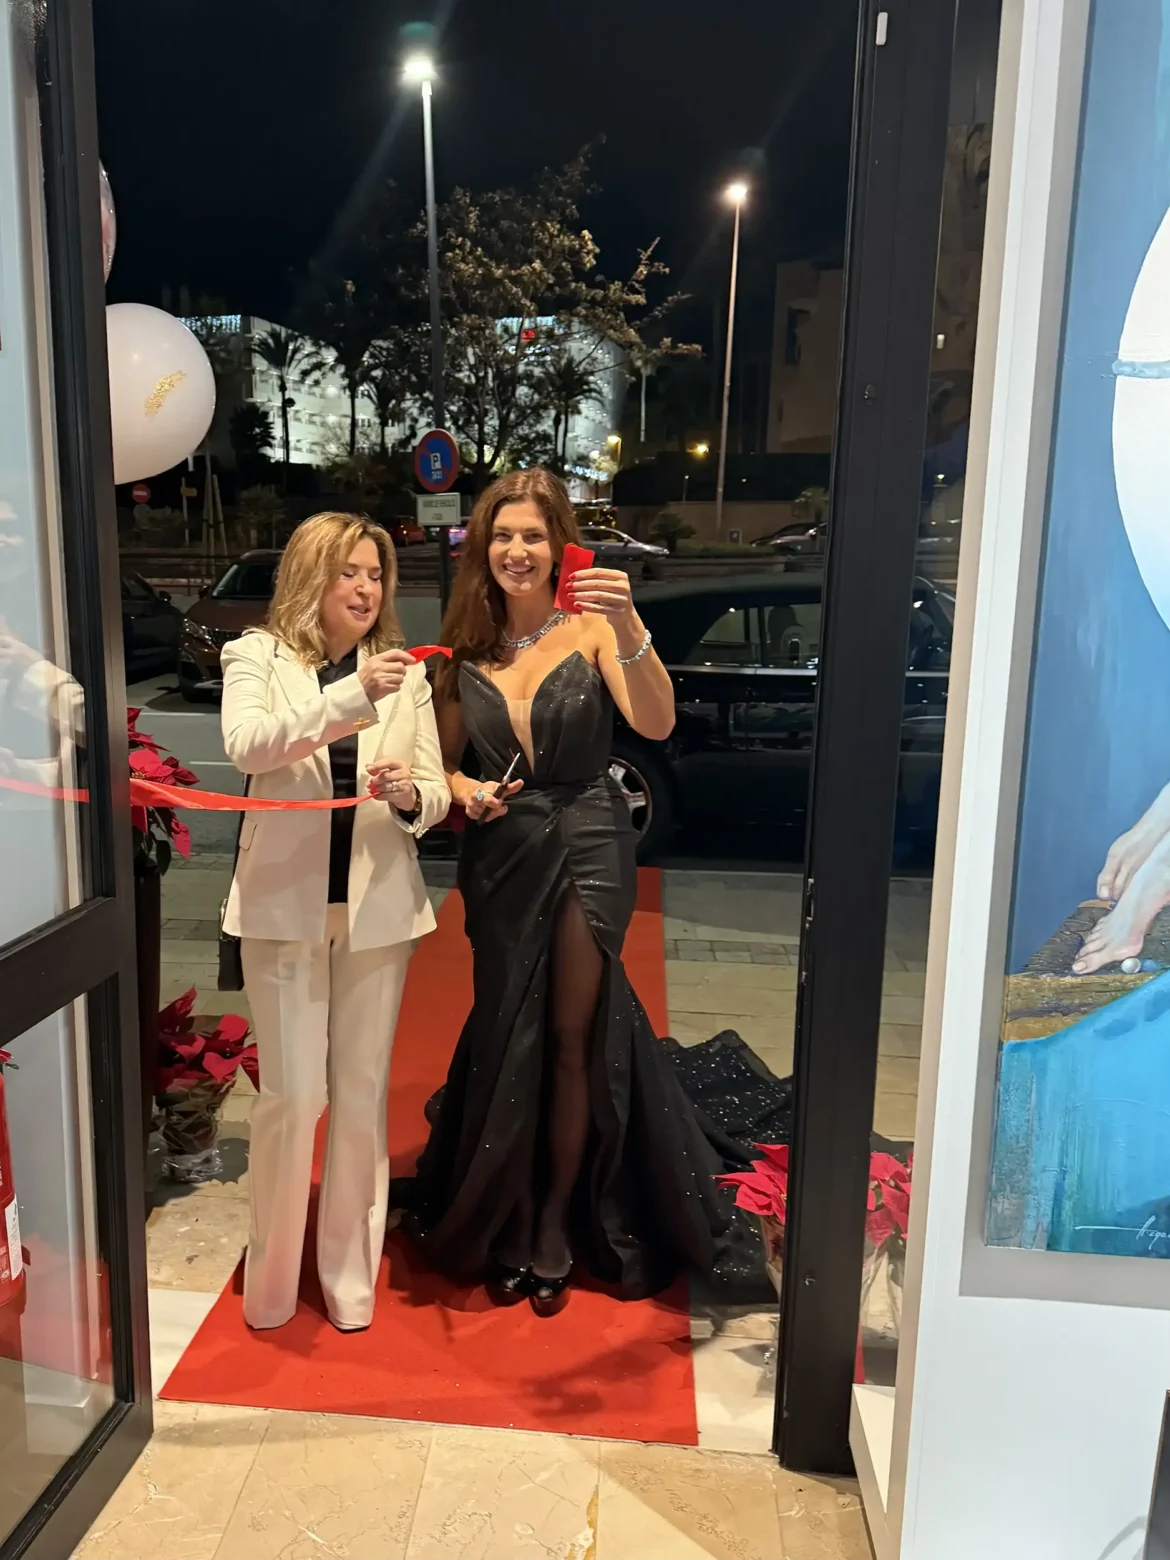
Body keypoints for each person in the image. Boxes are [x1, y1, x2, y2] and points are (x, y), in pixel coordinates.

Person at [375, 469, 728, 1316]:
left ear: (559, 544)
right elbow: (444, 766)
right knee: (510, 1027)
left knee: (572, 1033)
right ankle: (505, 1199)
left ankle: (550, 1220)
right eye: (502, 536)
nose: (517, 550)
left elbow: (656, 722)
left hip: (591, 839)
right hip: (502, 851)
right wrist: (467, 793)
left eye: (532, 535)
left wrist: (631, 622)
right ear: (482, 549)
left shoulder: (596, 628)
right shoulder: (467, 647)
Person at [221, 512, 448, 1331]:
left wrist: (412, 794)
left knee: (360, 1091)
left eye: (375, 574)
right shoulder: (256, 655)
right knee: (291, 1095)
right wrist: (353, 695)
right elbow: (249, 746)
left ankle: (350, 1277)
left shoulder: (406, 675)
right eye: (348, 571)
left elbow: (436, 789)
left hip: (377, 907)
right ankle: (273, 1282)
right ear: (311, 575)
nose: (365, 588)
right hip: (281, 906)